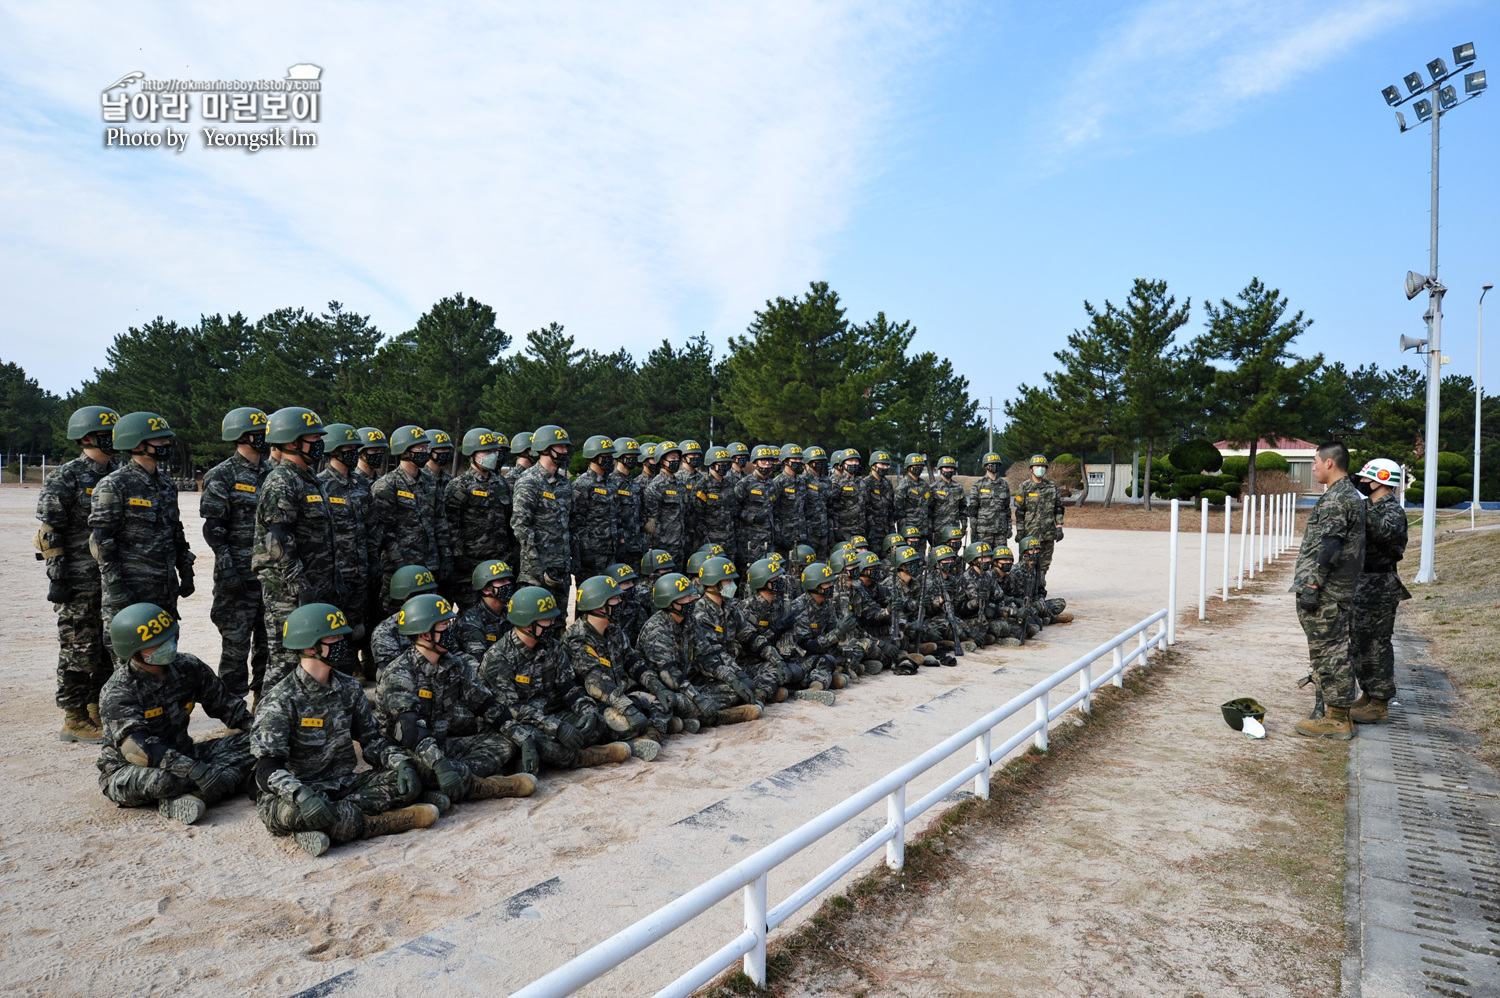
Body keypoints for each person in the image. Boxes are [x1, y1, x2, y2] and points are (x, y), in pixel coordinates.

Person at [251, 603, 435, 857]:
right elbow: (266, 770)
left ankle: (333, 824)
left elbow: (371, 741)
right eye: (334, 638)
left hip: (343, 785)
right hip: (296, 794)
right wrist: (301, 795)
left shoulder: (349, 688)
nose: (342, 643)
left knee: (408, 778)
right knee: (293, 814)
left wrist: (400, 764)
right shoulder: (280, 700)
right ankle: (373, 822)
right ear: (309, 646)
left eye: (342, 637)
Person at [96, 602, 254, 824]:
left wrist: (257, 730)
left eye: (169, 639)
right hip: (132, 769)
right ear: (133, 652)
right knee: (163, 781)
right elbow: (138, 750)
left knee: (255, 744)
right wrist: (195, 770)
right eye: (156, 644)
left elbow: (227, 706)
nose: (167, 646)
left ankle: (201, 793)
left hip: (184, 754)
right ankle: (228, 782)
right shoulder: (119, 690)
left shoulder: (188, 667)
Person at [375, 593, 536, 810]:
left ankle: (446, 785)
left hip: (441, 746)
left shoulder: (455, 665)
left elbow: (487, 706)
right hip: (407, 754)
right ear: (424, 634)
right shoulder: (400, 673)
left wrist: (523, 738)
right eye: (444, 626)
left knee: (505, 744)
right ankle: (480, 786)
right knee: (426, 772)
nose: (451, 630)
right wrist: (440, 765)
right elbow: (410, 732)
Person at [479, 586, 632, 770]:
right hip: (516, 724)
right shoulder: (498, 657)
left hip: (550, 714)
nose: (553, 624)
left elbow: (568, 687)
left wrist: (587, 710)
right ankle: (592, 756)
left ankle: (550, 758)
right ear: (528, 623)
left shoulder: (551, 646)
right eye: (547, 620)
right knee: (540, 741)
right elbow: (512, 710)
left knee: (598, 720)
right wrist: (556, 727)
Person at [37, 405, 120, 742]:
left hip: (109, 577)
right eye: (106, 432)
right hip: (78, 579)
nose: (112, 439)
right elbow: (48, 530)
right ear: (86, 436)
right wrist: (58, 574)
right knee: (78, 647)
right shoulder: (66, 476)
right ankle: (73, 717)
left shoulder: (117, 472)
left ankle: (97, 707)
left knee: (104, 647)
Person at [90, 410, 195, 662]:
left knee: (164, 654)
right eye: (159, 440)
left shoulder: (167, 485)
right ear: (137, 444)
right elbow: (101, 541)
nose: (166, 444)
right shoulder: (114, 484)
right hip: (129, 591)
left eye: (166, 439)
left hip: (164, 590)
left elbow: (175, 532)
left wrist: (186, 570)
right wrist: (115, 588)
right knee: (130, 662)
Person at [253, 407, 343, 694]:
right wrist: (300, 586)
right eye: (313, 437)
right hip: (288, 591)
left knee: (312, 657)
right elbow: (278, 542)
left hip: (314, 585)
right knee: (285, 660)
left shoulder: (308, 478)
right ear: (292, 442)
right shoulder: (282, 481)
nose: (320, 442)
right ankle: (268, 723)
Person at [1290, 441, 1367, 739]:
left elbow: (1330, 548)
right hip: (1336, 591)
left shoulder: (1337, 499)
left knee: (1331, 652)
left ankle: (1337, 718)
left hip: (1327, 593)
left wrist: (1312, 585)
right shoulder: (1348, 494)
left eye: (1315, 462)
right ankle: (1333, 713)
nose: (1313, 467)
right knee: (1329, 650)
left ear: (1330, 464)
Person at [199, 407, 273, 700]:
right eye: (258, 433)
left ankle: (263, 702)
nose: (264, 438)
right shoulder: (222, 475)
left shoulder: (272, 474)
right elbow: (213, 528)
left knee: (269, 645)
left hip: (269, 576)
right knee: (235, 645)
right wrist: (228, 567)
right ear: (240, 436)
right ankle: (233, 708)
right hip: (237, 576)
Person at [564, 574, 674, 759]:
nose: (620, 603)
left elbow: (635, 664)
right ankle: (640, 739)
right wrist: (628, 708)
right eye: (614, 599)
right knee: (620, 724)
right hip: (595, 705)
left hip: (621, 696)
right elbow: (596, 683)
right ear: (599, 605)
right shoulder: (577, 638)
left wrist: (659, 687)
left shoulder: (614, 630)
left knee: (664, 703)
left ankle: (647, 736)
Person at [636, 573, 761, 727]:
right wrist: (698, 698)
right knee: (671, 704)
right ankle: (717, 716)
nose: (692, 600)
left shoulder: (689, 621)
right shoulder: (656, 629)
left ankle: (691, 719)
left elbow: (707, 657)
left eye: (691, 595)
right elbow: (670, 675)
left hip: (687, 684)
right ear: (669, 603)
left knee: (732, 691)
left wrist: (733, 679)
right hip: (663, 690)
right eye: (686, 597)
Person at [1349, 457, 1409, 725]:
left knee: (1376, 644)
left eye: (1365, 479)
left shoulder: (1392, 511)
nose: (1361, 483)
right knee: (1359, 643)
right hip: (1362, 584)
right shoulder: (1369, 505)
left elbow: (1385, 535)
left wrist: (1364, 510)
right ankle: (1368, 693)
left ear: (1379, 480)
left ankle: (1381, 702)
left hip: (1380, 586)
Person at [372, 425, 452, 610]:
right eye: (420, 448)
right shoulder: (386, 485)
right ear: (404, 451)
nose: (425, 452)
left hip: (430, 564)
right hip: (400, 567)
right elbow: (384, 530)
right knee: (395, 614)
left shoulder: (431, 482)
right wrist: (399, 561)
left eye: (426, 448)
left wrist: (446, 556)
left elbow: (439, 522)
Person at [318, 423, 376, 677]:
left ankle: (354, 669)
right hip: (335, 571)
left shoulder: (361, 485)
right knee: (334, 626)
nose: (353, 452)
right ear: (332, 450)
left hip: (361, 570)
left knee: (357, 623)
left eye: (355, 448)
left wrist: (373, 560)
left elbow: (372, 528)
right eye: (347, 448)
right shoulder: (321, 485)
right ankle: (338, 671)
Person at [691, 556, 782, 705]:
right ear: (714, 584)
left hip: (734, 667)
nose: (732, 585)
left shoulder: (730, 608)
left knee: (773, 669)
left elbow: (750, 635)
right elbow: (715, 653)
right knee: (734, 692)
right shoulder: (700, 614)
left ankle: (759, 695)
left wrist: (776, 659)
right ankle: (752, 697)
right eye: (728, 581)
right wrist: (739, 674)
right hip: (711, 673)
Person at [446, 428, 514, 609]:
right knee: (471, 614)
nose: (492, 455)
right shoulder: (459, 485)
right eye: (486, 452)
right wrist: (459, 557)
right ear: (471, 454)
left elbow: (509, 521)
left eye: (494, 451)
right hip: (471, 566)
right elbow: (451, 525)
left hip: (499, 565)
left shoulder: (502, 484)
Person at [511, 424, 578, 607]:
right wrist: (538, 566)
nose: (565, 451)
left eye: (566, 447)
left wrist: (574, 556)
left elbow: (571, 522)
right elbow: (520, 526)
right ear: (546, 448)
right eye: (561, 447)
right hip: (537, 573)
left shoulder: (564, 484)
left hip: (561, 570)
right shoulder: (529, 481)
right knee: (535, 622)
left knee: (558, 621)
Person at [370, 564, 442, 676]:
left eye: (429, 592)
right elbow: (391, 673)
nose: (426, 598)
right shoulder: (386, 630)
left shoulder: (441, 622)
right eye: (418, 595)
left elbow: (455, 656)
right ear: (404, 598)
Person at [573, 435, 619, 580]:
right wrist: (585, 549)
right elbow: (577, 520)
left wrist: (620, 539)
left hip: (611, 550)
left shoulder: (611, 483)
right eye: (606, 456)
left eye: (611, 456)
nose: (610, 460)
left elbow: (616, 515)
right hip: (592, 552)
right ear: (593, 457)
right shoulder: (582, 484)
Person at [453, 559, 517, 661]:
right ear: (486, 589)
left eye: (509, 580)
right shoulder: (471, 623)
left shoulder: (509, 613)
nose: (508, 584)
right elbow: (479, 664)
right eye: (502, 581)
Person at [1014, 454, 1064, 574]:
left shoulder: (1052, 487)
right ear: (1031, 468)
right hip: (1030, 533)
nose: (1040, 468)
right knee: (1027, 563)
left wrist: (1059, 527)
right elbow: (1019, 511)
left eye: (1042, 466)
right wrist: (1020, 531)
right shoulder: (1024, 487)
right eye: (1037, 466)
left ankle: (1040, 587)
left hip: (1048, 533)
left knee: (1044, 564)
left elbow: (1058, 508)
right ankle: (1027, 588)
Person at [644, 440, 690, 566]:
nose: (676, 461)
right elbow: (652, 522)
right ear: (662, 461)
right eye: (672, 458)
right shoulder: (655, 487)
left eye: (677, 458)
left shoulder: (681, 485)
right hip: (664, 548)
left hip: (681, 545)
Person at [735, 444, 781, 563]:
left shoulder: (772, 485)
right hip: (751, 540)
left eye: (770, 460)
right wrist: (752, 517)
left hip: (769, 539)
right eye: (763, 460)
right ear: (755, 463)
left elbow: (775, 510)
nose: (767, 463)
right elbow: (734, 509)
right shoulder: (745, 484)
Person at [609, 438, 645, 569]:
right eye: (630, 456)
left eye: (636, 456)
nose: (634, 459)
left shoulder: (635, 484)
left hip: (637, 546)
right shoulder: (612, 483)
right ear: (619, 457)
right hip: (620, 546)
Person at [969, 452, 1013, 552]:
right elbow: (973, 510)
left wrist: (1009, 527)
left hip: (1000, 532)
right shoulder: (978, 485)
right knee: (983, 561)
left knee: (999, 561)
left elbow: (1007, 509)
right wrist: (974, 531)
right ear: (986, 466)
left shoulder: (1004, 485)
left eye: (997, 464)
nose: (994, 466)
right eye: (991, 464)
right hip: (984, 532)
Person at [773, 444, 806, 558]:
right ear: (786, 461)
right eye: (795, 459)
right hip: (784, 537)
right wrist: (778, 535)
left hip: (801, 536)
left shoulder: (801, 482)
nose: (798, 461)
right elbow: (774, 510)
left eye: (800, 459)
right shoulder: (778, 483)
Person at [895, 454, 931, 557]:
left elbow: (928, 508)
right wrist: (904, 534)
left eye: (920, 466)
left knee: (920, 560)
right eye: (916, 466)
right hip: (909, 533)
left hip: (922, 532)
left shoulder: (924, 485)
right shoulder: (903, 486)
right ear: (909, 467)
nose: (918, 468)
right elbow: (899, 511)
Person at [929, 456, 967, 546]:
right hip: (938, 532)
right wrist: (929, 530)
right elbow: (928, 511)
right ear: (941, 469)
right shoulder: (933, 488)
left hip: (954, 531)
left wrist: (964, 525)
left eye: (951, 468)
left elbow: (963, 508)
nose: (949, 470)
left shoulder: (958, 487)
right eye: (946, 468)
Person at [860, 450, 896, 541]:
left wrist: (892, 527)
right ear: (873, 466)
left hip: (886, 531)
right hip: (872, 531)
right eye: (882, 464)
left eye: (887, 465)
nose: (885, 467)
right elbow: (865, 508)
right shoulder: (865, 483)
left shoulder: (887, 483)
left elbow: (890, 508)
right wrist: (870, 527)